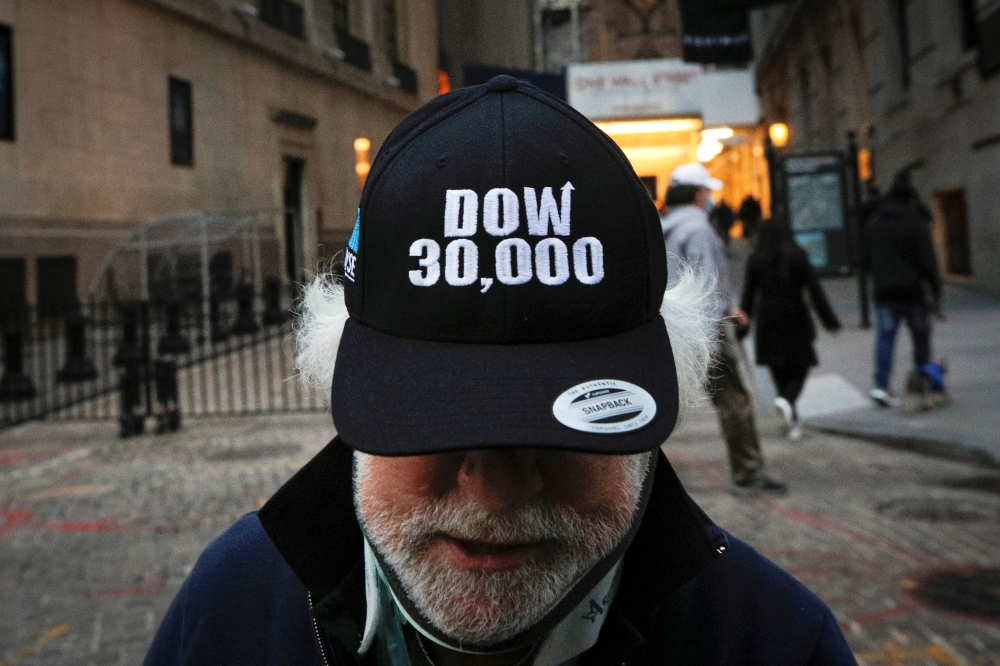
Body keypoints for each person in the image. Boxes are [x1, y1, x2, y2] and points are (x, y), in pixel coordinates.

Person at [145, 76, 857, 666]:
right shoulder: (232, 610)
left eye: (560, 424)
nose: (497, 487)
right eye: (434, 413)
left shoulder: (776, 643)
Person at [660, 163, 786, 495]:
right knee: (735, 401)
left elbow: (680, 279)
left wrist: (730, 307)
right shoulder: (698, 229)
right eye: (706, 191)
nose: (709, 197)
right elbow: (704, 283)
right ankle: (748, 472)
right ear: (697, 194)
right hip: (704, 329)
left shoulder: (665, 227)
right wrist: (711, 339)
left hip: (676, 326)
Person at [740, 219, 840, 440]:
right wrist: (830, 322)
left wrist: (742, 330)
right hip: (795, 316)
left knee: (779, 372)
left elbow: (748, 296)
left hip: (768, 319)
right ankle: (787, 404)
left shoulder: (755, 259)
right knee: (801, 365)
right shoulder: (798, 256)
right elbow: (815, 291)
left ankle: (791, 417)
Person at [862, 170, 942, 409]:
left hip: (884, 293)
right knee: (921, 337)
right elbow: (928, 261)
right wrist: (935, 291)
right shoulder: (914, 223)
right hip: (913, 292)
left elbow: (865, 260)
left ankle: (881, 386)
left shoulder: (875, 223)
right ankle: (921, 382)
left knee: (885, 338)